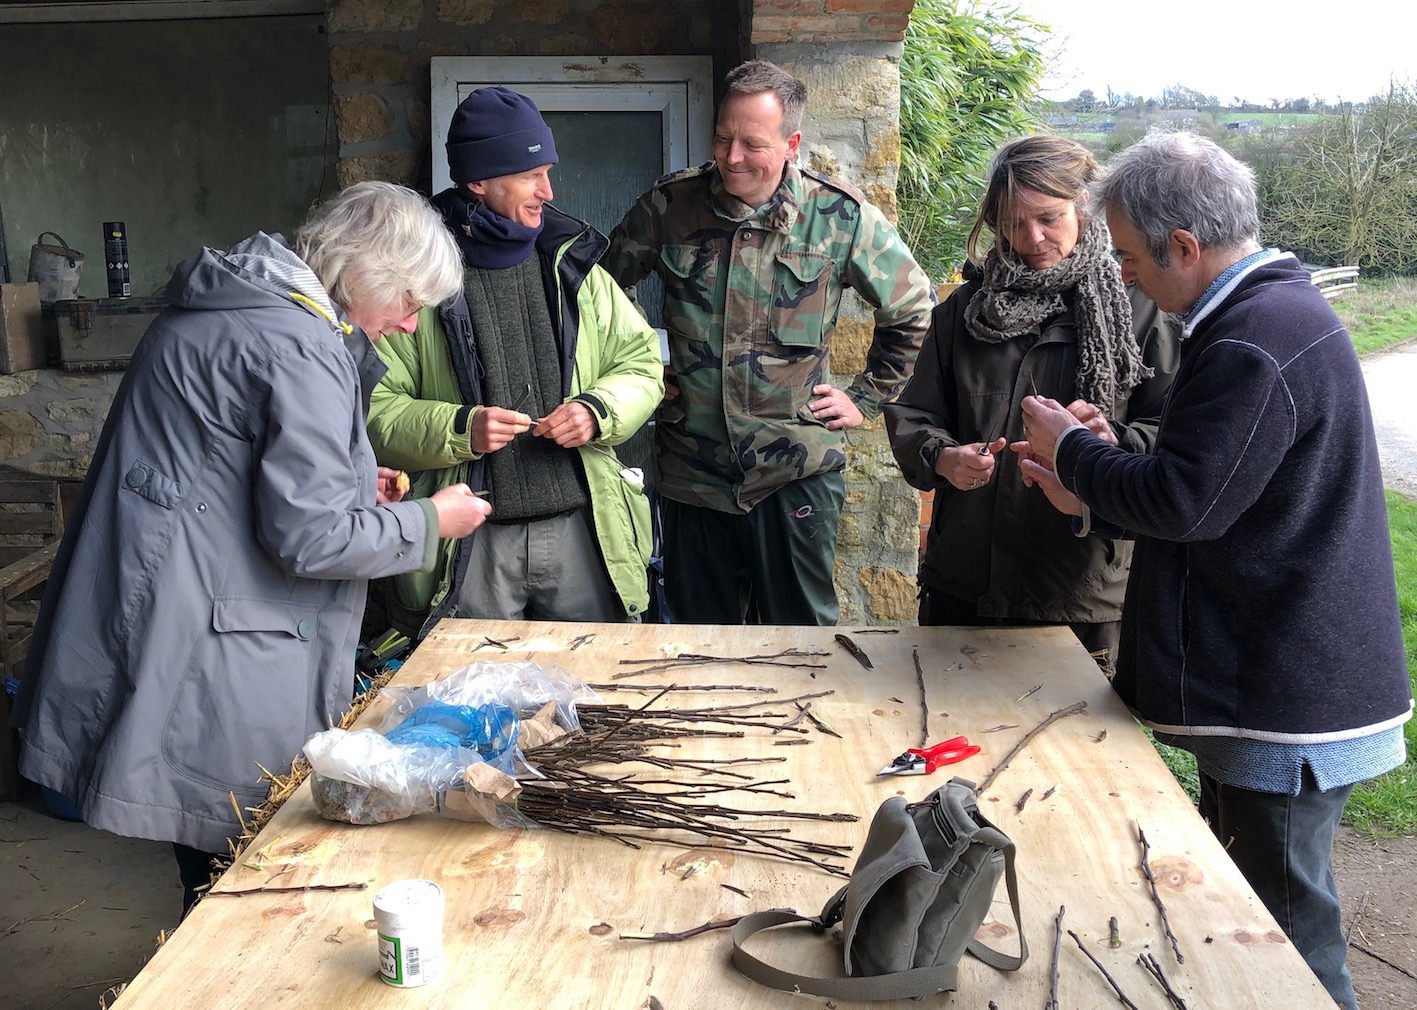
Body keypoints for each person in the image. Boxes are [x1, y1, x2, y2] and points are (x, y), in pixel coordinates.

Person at [11, 182, 492, 913]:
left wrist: (357, 487)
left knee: (210, 873)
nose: (407, 323)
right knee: (233, 881)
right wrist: (432, 520)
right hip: (216, 640)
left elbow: (229, 475)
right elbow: (313, 536)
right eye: (408, 299)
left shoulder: (241, 307)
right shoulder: (296, 342)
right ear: (362, 269)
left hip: (181, 601)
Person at [1016, 131, 1413, 1010]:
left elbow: (1186, 505)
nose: (1119, 274)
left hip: (1284, 699)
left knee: (1284, 937)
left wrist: (1075, 451)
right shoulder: (1266, 315)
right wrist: (1092, 475)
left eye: (1124, 254)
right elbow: (1212, 485)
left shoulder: (1250, 341)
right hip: (1282, 688)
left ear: (1184, 248)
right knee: (1259, 915)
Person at [602, 59, 934, 626]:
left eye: (751, 143)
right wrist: (642, 371)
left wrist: (867, 397)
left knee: (802, 646)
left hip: (794, 471)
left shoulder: (838, 217)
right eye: (722, 138)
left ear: (791, 143)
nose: (731, 158)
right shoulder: (671, 207)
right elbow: (600, 293)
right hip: (693, 472)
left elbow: (913, 308)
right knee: (695, 648)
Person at [366, 86, 662, 633]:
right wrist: (461, 428)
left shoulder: (574, 265)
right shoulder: (415, 280)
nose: (548, 191)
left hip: (583, 532)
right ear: (479, 181)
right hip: (470, 544)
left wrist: (599, 411)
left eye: (548, 172)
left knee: (596, 699)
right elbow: (371, 408)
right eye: (532, 175)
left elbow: (642, 363)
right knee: (474, 700)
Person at [884, 136, 1180, 669]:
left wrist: (1111, 442)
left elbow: (1175, 436)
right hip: (965, 585)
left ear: (1085, 205)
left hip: (1082, 591)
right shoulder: (964, 313)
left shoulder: (1144, 312)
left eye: (1049, 218)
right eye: (1014, 223)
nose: (1032, 238)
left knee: (1077, 752)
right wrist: (944, 459)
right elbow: (915, 416)